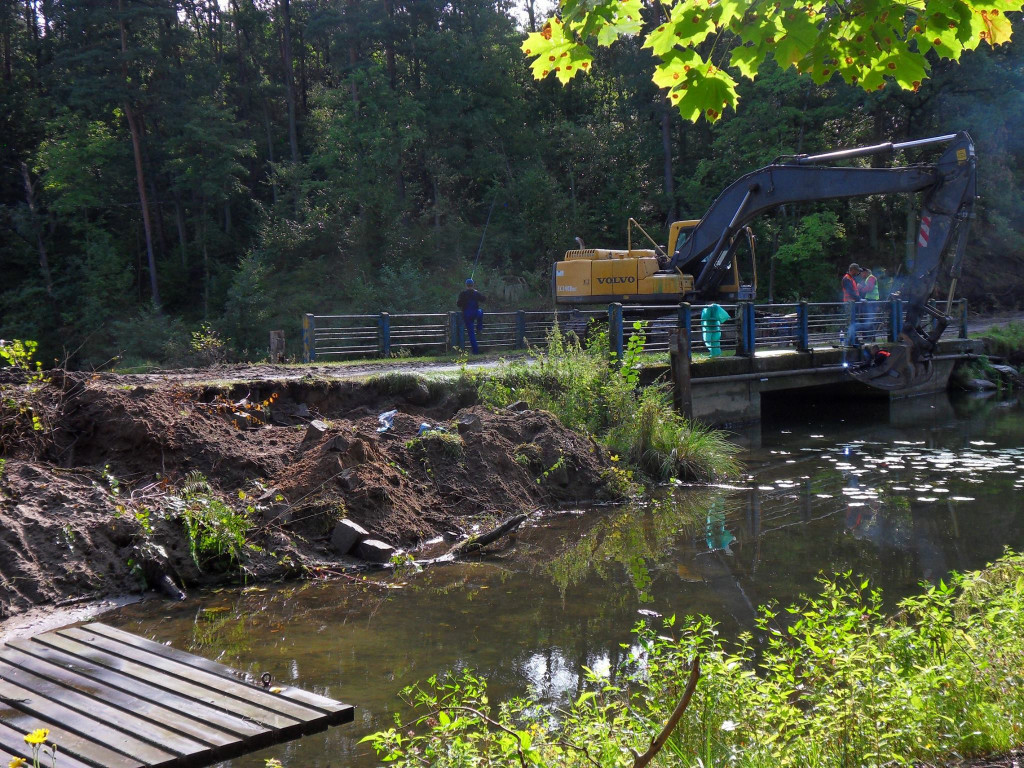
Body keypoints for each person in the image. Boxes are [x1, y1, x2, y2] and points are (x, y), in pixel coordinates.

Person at [456, 278, 486, 354]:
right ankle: (479, 328)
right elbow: (483, 299)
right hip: (476, 313)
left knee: (471, 334)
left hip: (467, 315)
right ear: (473, 285)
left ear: (466, 285)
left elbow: (458, 304)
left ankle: (475, 352)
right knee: (481, 311)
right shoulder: (476, 293)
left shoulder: (463, 293)